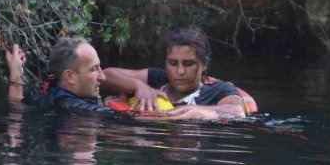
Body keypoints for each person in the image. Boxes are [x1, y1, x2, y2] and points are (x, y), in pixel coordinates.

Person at [102, 28, 247, 120]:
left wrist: (194, 110)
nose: (180, 71)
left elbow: (237, 111)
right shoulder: (158, 79)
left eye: (188, 64)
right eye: (173, 63)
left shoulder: (218, 90)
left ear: (204, 65)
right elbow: (105, 76)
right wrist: (138, 85)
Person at [6, 36, 111, 113]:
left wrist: (16, 74)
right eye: (93, 69)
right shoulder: (75, 108)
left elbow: (16, 105)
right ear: (70, 76)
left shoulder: (47, 98)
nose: (103, 77)